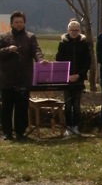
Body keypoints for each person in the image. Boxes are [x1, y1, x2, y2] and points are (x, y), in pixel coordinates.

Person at [0, 11, 45, 140]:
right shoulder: (4, 37)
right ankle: (7, 133)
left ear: (24, 22)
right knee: (6, 108)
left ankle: (20, 132)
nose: (19, 24)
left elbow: (36, 50)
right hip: (7, 79)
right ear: (11, 24)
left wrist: (40, 61)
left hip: (24, 79)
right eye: (16, 22)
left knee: (22, 107)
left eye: (21, 22)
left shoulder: (30, 37)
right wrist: (7, 50)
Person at [56, 19, 92, 136]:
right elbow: (59, 61)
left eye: (76, 30)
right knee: (67, 104)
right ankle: (68, 127)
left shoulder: (84, 43)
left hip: (79, 78)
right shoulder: (63, 43)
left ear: (80, 31)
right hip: (66, 78)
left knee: (76, 105)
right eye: (72, 30)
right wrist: (67, 75)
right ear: (68, 30)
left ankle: (76, 126)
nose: (74, 32)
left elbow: (87, 61)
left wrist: (79, 75)